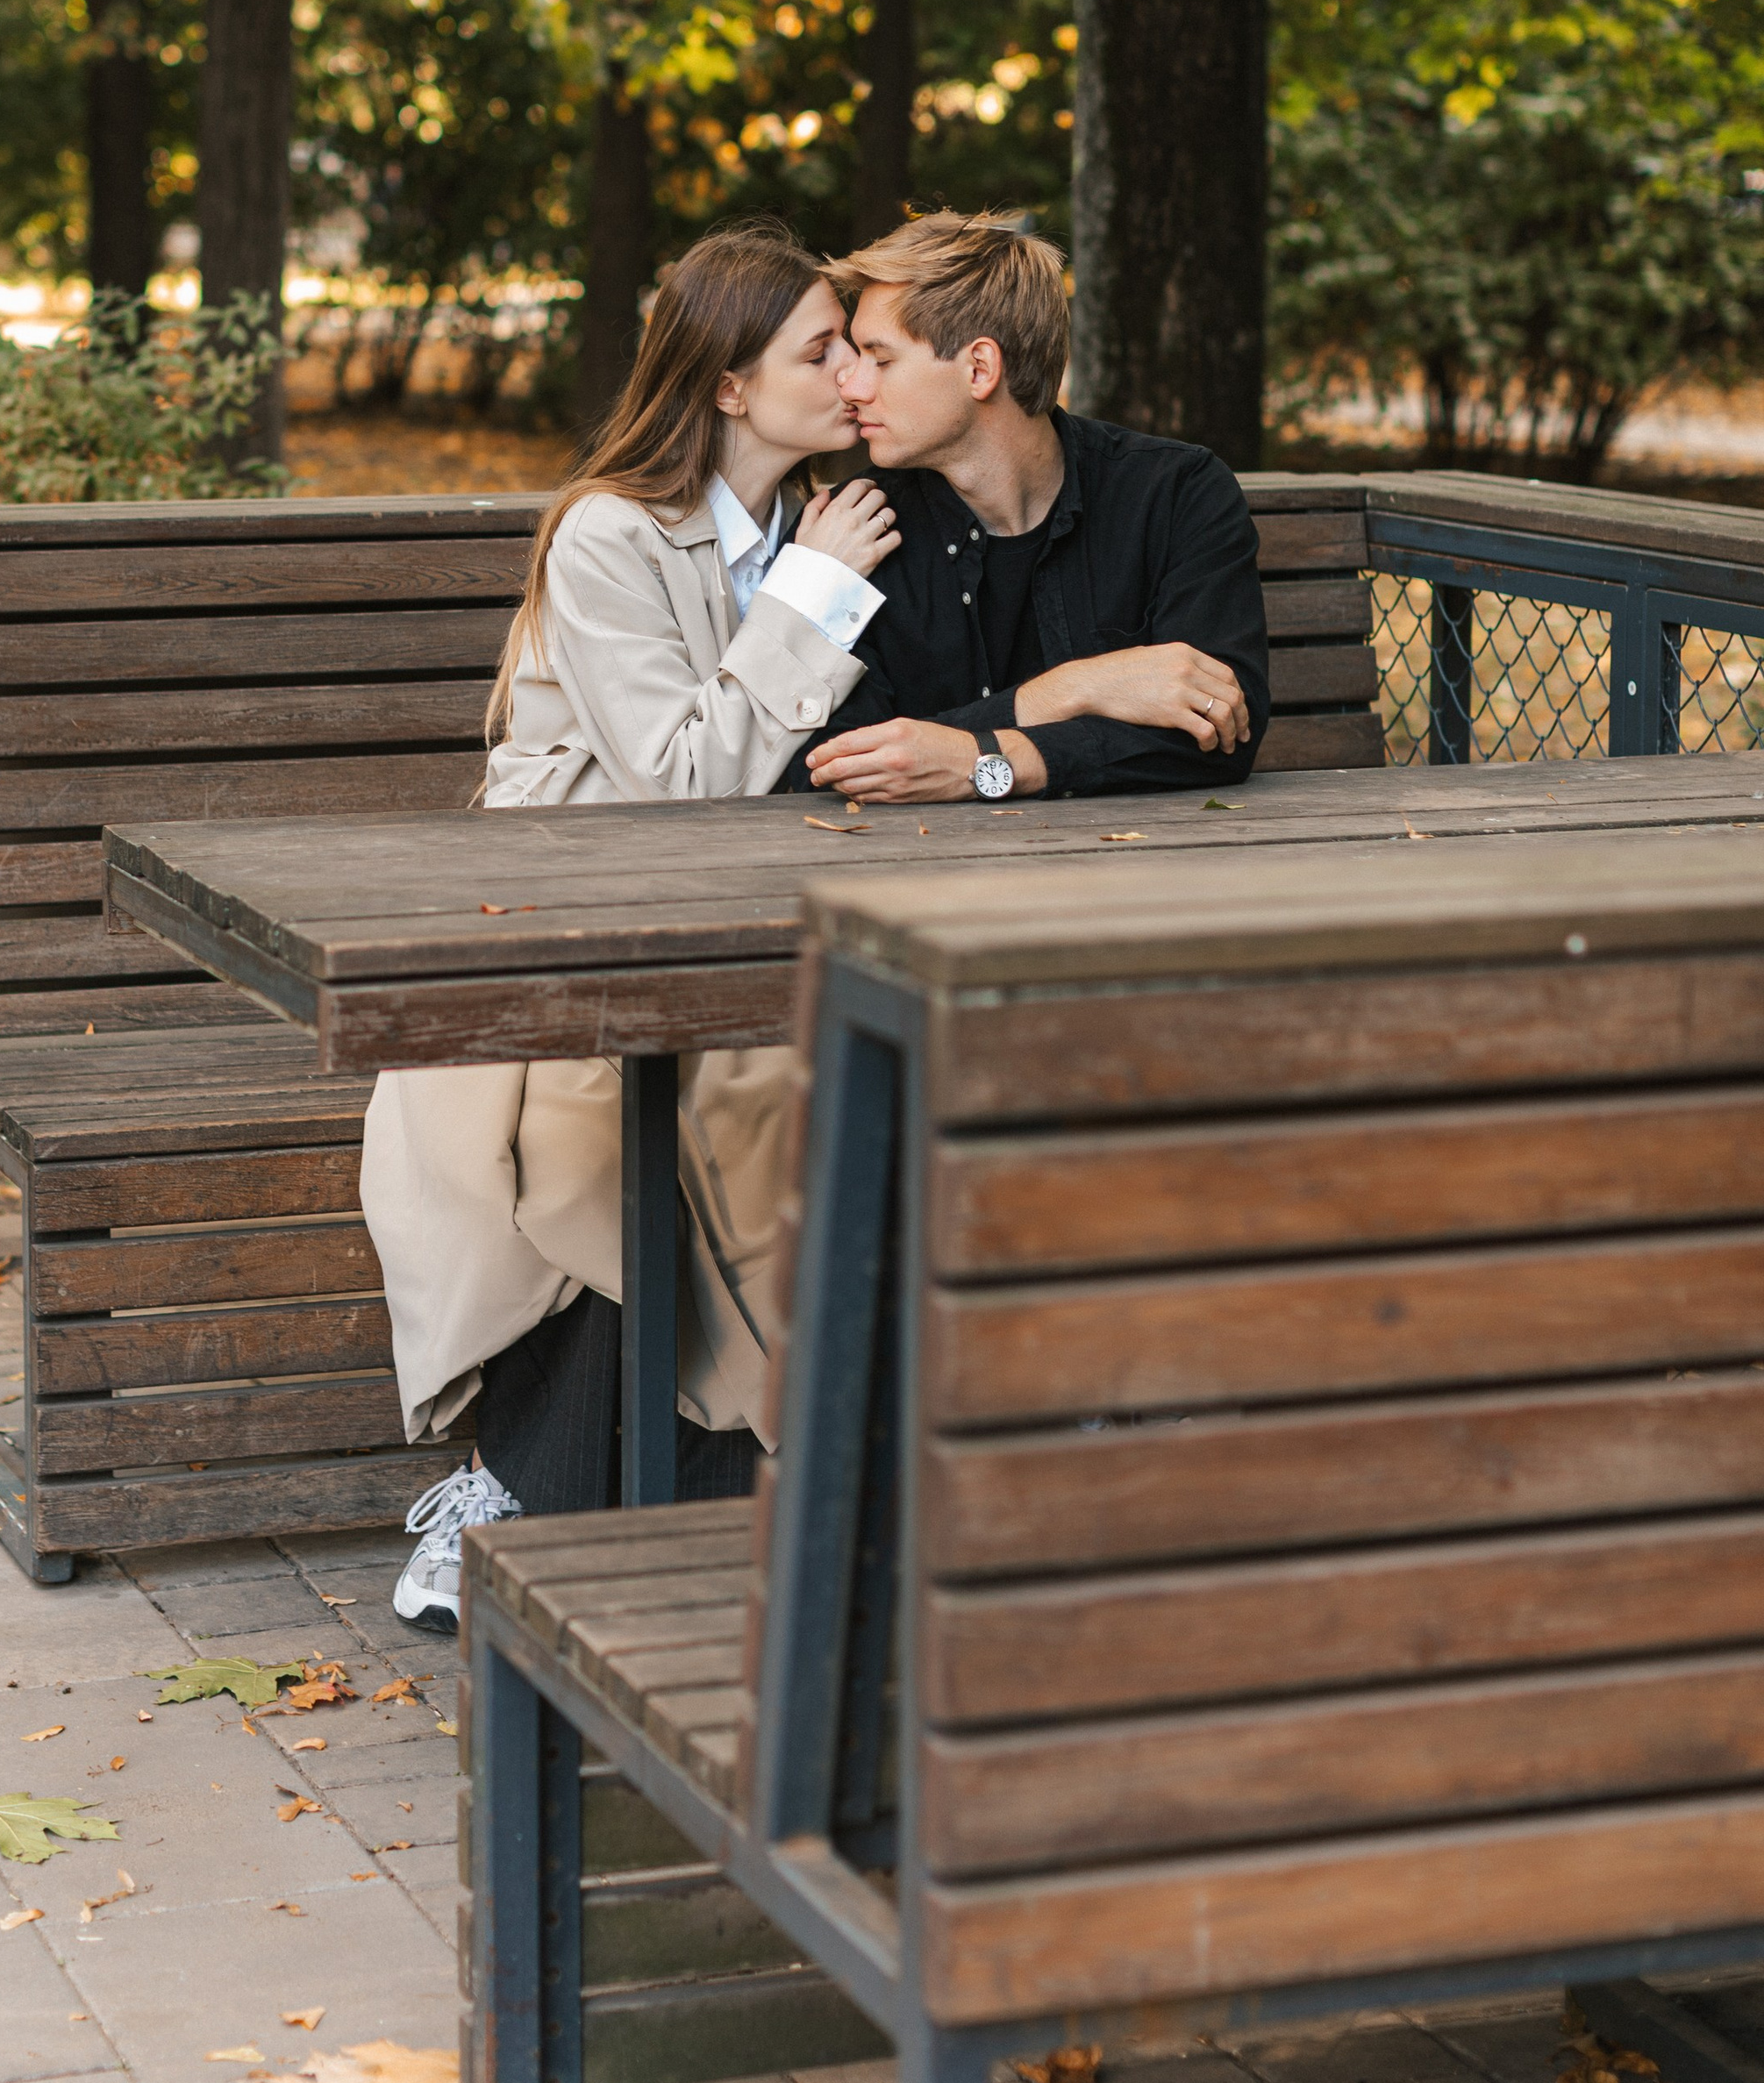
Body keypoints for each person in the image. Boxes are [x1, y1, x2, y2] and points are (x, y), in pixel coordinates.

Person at [363, 221, 903, 1629]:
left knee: (769, 1093)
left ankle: (685, 1502)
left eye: (856, 346)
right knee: (601, 1126)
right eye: (820, 349)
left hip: (757, 923)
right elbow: (678, 776)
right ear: (729, 382)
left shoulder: (825, 522)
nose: (850, 374)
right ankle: (522, 1498)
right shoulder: (613, 534)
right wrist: (815, 600)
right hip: (565, 919)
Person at [784, 210, 1269, 804]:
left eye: (880, 360)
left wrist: (981, 759)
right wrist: (1071, 690)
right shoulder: (854, 529)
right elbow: (838, 761)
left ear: (980, 368)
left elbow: (1222, 733)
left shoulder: (1176, 495)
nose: (852, 387)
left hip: (1148, 872)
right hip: (914, 880)